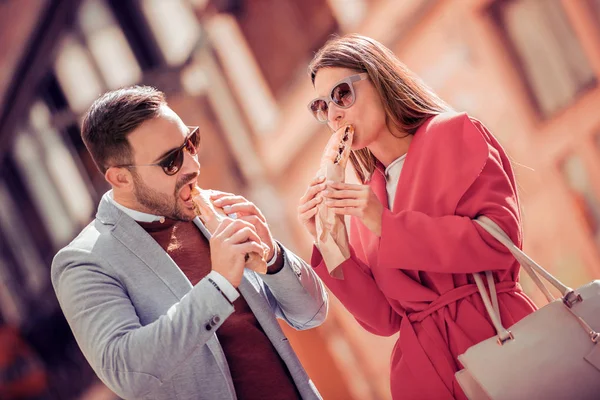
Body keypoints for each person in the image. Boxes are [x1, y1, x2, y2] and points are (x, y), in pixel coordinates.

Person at [298, 34, 537, 400]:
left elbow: (498, 241)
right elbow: (384, 320)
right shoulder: (367, 194)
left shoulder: (454, 134)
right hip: (425, 376)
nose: (334, 114)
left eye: (342, 94)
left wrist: (386, 224)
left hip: (499, 342)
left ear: (378, 79)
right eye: (321, 107)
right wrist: (331, 242)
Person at [52, 86, 327, 400]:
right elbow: (128, 372)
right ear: (121, 178)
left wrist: (275, 258)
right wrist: (220, 284)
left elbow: (312, 313)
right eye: (170, 161)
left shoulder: (215, 210)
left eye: (190, 144)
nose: (193, 166)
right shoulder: (83, 261)